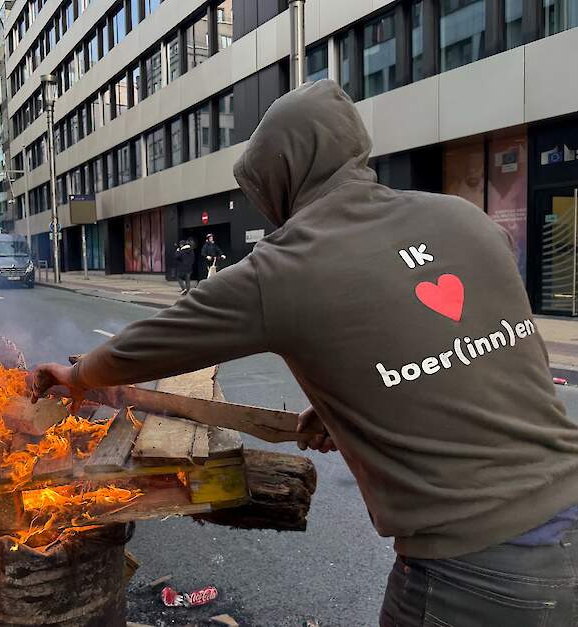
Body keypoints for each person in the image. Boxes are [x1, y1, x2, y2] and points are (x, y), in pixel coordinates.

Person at [31, 80, 578, 626]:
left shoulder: (285, 268)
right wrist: (350, 401)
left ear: (279, 177)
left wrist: (76, 375)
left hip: (482, 569)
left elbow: (150, 346)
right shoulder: (468, 220)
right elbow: (467, 347)